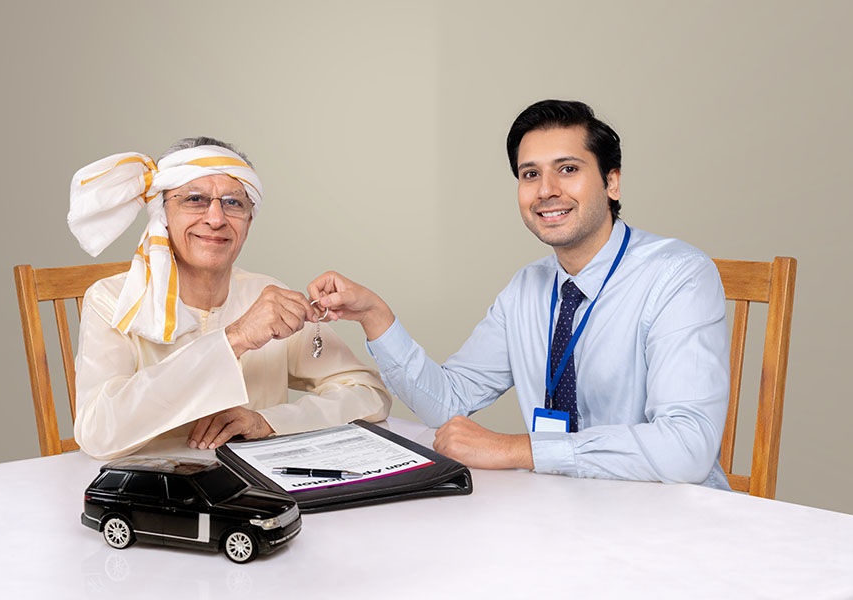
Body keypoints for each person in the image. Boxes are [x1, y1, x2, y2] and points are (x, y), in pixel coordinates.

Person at [308, 100, 731, 489]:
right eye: (530, 174)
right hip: (563, 511)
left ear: (612, 183)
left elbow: (688, 448)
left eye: (568, 169)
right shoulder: (528, 287)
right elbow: (449, 402)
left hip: (670, 520)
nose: (546, 190)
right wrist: (375, 316)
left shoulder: (679, 276)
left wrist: (518, 449)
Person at [68, 137, 391, 460]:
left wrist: (268, 421)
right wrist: (235, 338)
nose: (216, 219)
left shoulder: (266, 297)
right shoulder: (112, 301)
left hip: (256, 485)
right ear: (162, 213)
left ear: (249, 221)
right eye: (195, 199)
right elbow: (98, 434)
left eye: (233, 203)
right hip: (150, 485)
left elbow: (369, 394)